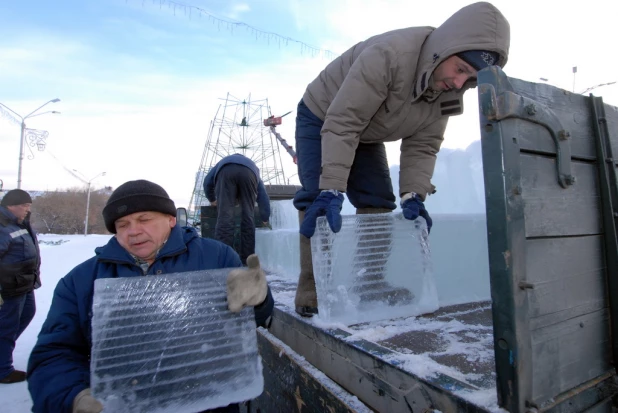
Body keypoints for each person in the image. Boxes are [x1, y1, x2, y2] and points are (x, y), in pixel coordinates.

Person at [292, 1, 511, 316]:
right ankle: (313, 290)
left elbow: (423, 144)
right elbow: (344, 122)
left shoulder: (449, 91)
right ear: (445, 49)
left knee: (378, 200)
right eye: (460, 69)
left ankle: (369, 282)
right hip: (324, 115)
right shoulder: (389, 57)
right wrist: (332, 187)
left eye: (471, 78)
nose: (460, 83)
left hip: (368, 130)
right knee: (319, 199)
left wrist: (414, 194)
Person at [27, 180, 274, 413]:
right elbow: (54, 354)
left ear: (170, 220)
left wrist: (259, 301)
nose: (133, 231)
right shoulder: (81, 281)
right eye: (123, 225)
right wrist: (74, 397)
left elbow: (245, 325)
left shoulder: (217, 258)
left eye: (143, 219)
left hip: (210, 405)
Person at [0, 189, 40, 384]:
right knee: (7, 327)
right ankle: (2, 370)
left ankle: (2, 350)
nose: (27, 209)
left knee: (28, 314)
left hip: (24, 283)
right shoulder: (2, 225)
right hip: (9, 287)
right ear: (11, 206)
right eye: (24, 206)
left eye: (29, 206)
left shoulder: (19, 223)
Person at [203, 154, 271, 265]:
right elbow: (262, 195)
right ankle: (247, 261)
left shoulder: (222, 162)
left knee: (225, 218)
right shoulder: (252, 167)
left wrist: (212, 199)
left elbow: (207, 182)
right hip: (249, 173)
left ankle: (224, 261)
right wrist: (265, 217)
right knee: (248, 217)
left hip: (226, 170)